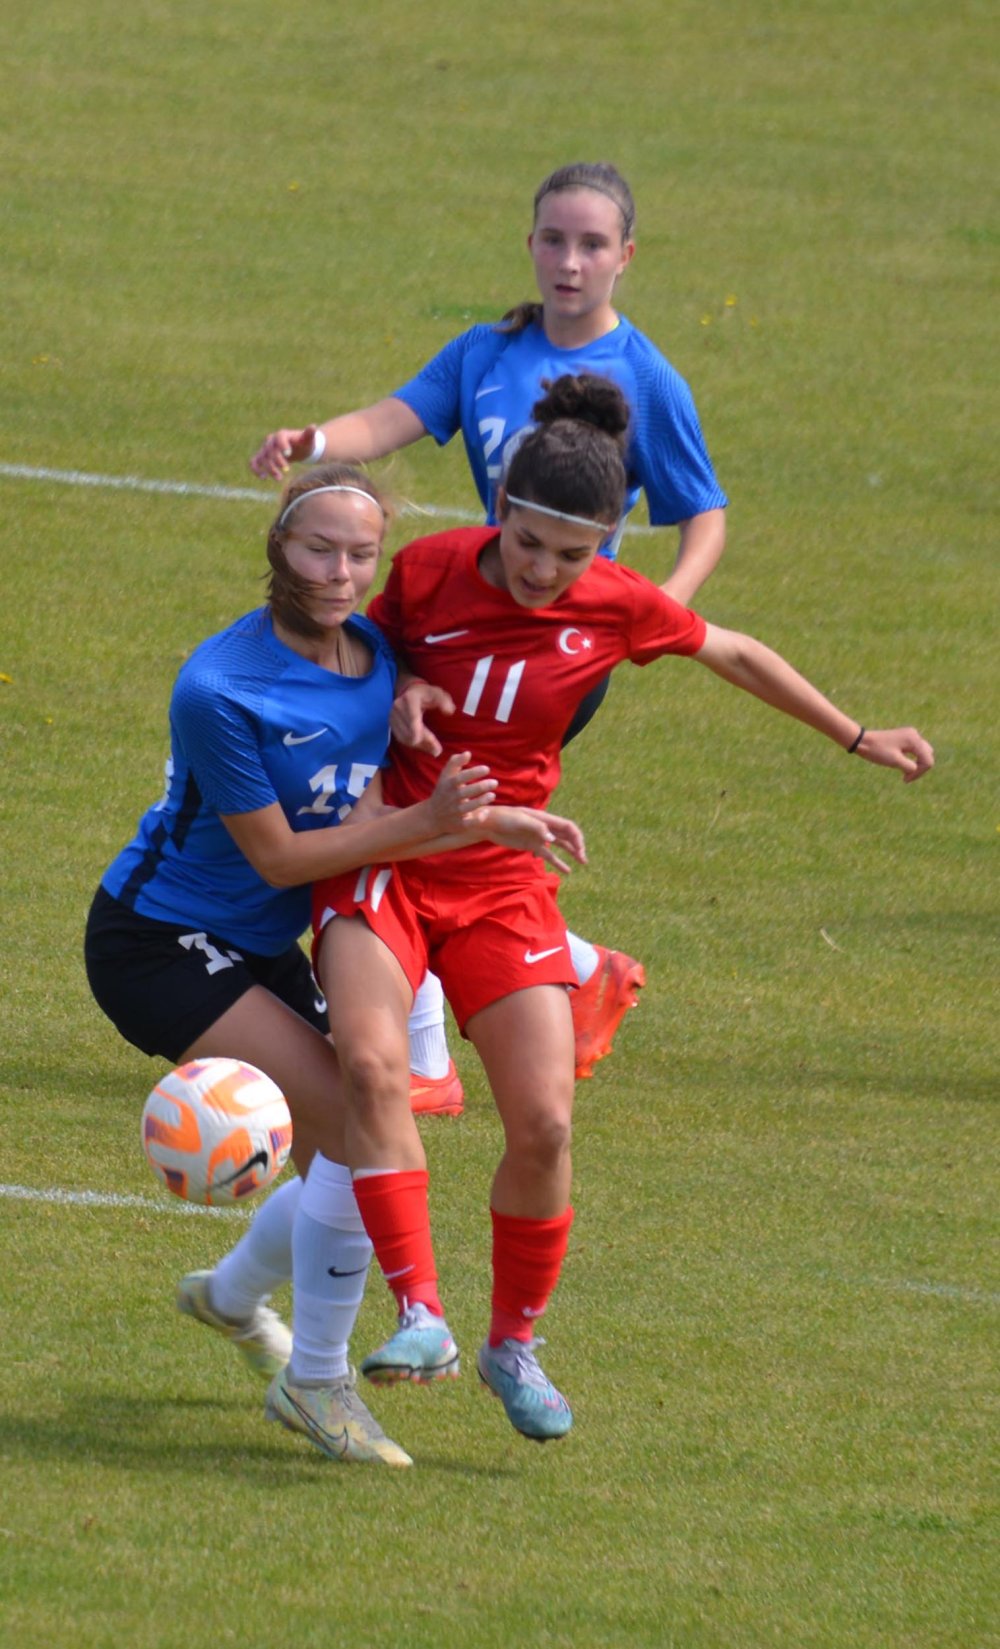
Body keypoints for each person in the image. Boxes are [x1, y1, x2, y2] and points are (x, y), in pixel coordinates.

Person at [291, 374, 932, 1452]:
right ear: (500, 506)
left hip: (503, 878)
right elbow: (364, 648)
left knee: (544, 1122)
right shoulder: (431, 566)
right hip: (392, 850)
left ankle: (513, 1343)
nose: (543, 570)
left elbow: (732, 651)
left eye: (570, 553)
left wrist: (857, 735)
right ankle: (419, 1313)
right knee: (369, 1064)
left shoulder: (619, 603)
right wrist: (396, 689)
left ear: (607, 544)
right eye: (528, 542)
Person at [84, 462, 579, 1467]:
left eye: (361, 554)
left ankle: (230, 1296)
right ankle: (315, 1382)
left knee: (345, 1159)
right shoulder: (220, 686)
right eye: (319, 549)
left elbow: (414, 733)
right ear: (279, 544)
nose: (340, 572)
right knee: (359, 1133)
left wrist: (433, 729)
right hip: (160, 941)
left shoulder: (380, 651)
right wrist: (428, 823)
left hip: (265, 942)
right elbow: (279, 858)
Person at [249, 161, 726, 1087]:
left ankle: (429, 1046)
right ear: (530, 243)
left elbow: (702, 511)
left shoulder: (646, 376)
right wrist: (316, 440)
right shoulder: (487, 351)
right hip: (460, 622)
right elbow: (396, 417)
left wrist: (653, 611)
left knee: (426, 814)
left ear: (626, 257)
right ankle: (573, 971)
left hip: (552, 649)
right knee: (435, 814)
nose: (570, 262)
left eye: (592, 245)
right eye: (555, 239)